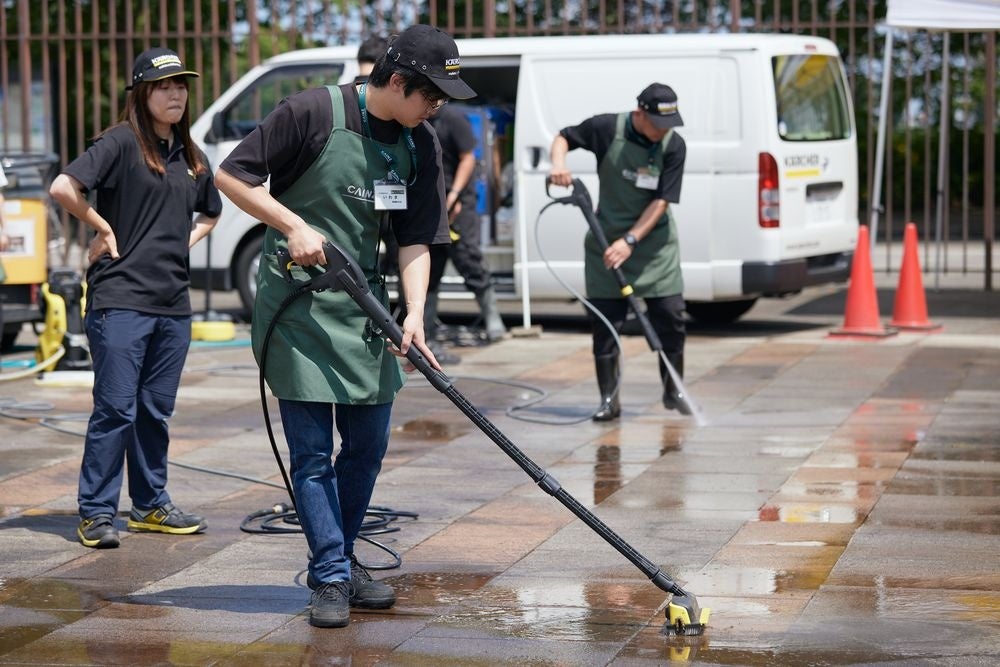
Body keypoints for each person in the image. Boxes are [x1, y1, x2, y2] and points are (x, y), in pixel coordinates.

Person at [214, 24, 473, 629]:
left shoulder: (421, 143)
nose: (437, 107)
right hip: (299, 309)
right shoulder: (310, 111)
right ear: (399, 81)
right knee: (311, 455)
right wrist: (292, 226)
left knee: (368, 447)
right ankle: (330, 573)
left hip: (365, 309)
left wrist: (414, 313)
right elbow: (230, 175)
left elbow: (417, 239)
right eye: (431, 94)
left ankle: (342, 554)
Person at [49, 47, 223, 548]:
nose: (175, 93)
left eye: (181, 85)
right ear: (142, 93)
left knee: (154, 410)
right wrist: (101, 226)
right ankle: (97, 513)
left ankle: (149, 505)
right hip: (120, 299)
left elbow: (210, 212)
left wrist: (179, 245)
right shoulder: (120, 143)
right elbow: (64, 186)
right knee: (116, 409)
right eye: (164, 85)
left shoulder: (192, 157)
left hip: (173, 304)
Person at [548, 83, 690, 421]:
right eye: (657, 124)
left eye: (669, 125)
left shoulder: (674, 145)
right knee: (607, 325)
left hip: (653, 245)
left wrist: (631, 241)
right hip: (604, 242)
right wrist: (558, 164)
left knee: (671, 317)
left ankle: (674, 389)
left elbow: (662, 200)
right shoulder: (606, 128)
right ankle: (609, 399)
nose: (663, 132)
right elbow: (563, 137)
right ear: (639, 114)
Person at [426, 104, 507, 347]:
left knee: (468, 258)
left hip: (458, 202)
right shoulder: (416, 119)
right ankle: (426, 325)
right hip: (430, 201)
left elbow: (469, 158)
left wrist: (455, 194)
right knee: (429, 264)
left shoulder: (454, 119)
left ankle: (492, 318)